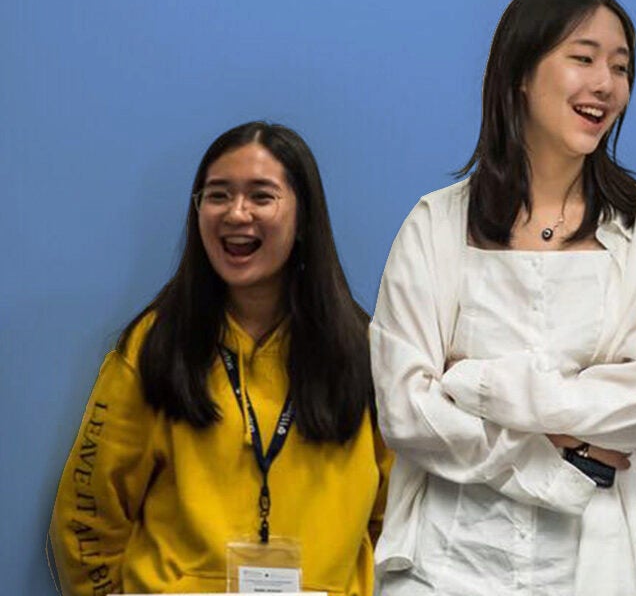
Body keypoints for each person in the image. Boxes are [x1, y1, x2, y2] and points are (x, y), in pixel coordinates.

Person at [370, 0, 636, 596]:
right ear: (521, 72)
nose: (606, 84)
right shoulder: (435, 225)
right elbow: (405, 411)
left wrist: (473, 384)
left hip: (608, 567)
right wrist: (565, 453)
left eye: (621, 67)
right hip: (444, 567)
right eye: (584, 57)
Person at [49, 122, 392, 595]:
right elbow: (87, 517)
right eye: (217, 195)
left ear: (304, 217)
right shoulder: (155, 347)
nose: (236, 213)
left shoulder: (365, 352)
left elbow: (401, 518)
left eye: (261, 196)